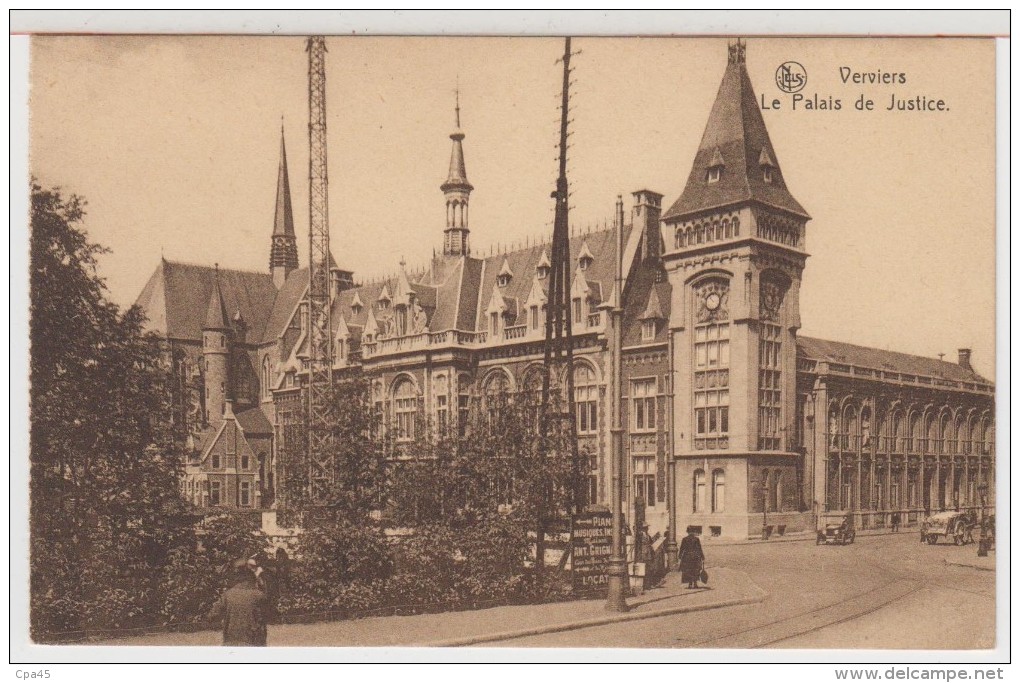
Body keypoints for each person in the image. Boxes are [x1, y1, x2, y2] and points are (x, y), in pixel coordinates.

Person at [208, 559, 269, 646]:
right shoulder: (259, 595)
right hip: (253, 645)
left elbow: (211, 617)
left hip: (230, 643)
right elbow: (271, 615)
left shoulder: (227, 595)